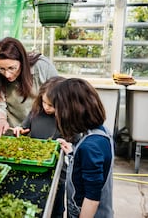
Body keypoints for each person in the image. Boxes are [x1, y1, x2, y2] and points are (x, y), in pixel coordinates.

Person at [48, 78, 114, 218]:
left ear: (70, 111)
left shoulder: (90, 147)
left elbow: (92, 200)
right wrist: (73, 154)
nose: (56, 113)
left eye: (58, 108)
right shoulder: (101, 132)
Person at [14, 76, 66, 218]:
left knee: (56, 208)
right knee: (36, 204)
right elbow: (24, 127)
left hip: (57, 173)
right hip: (34, 168)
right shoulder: (36, 112)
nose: (46, 107)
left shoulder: (67, 119)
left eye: (51, 105)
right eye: (44, 102)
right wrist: (20, 130)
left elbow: (73, 145)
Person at [0, 37, 58, 137]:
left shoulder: (42, 67)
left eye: (12, 68)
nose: (7, 74)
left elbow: (60, 96)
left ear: (22, 61)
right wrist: (1, 119)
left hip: (43, 132)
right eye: (1, 69)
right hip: (14, 133)